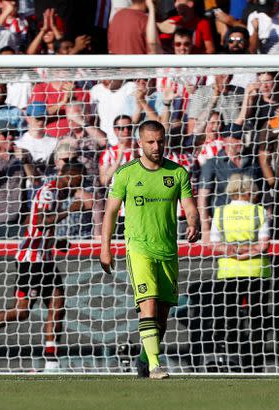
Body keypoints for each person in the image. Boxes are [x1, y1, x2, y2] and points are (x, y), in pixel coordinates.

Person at [0, 162, 87, 371]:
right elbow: (41, 221)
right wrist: (69, 211)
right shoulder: (49, 193)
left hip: (45, 259)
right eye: (78, 181)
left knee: (57, 305)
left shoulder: (58, 195)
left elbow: (33, 224)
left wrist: (54, 242)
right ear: (69, 177)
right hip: (30, 261)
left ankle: (52, 363)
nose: (78, 187)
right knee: (22, 312)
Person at [99, 120, 200, 379]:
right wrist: (105, 248)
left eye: (160, 141)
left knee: (163, 315)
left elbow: (189, 205)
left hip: (167, 249)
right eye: (151, 142)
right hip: (138, 248)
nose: (156, 147)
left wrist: (193, 222)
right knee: (149, 304)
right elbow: (110, 211)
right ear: (140, 143)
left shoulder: (177, 173)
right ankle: (156, 365)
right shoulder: (126, 173)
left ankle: (144, 359)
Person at [193, 173, 271, 372]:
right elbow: (263, 243)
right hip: (256, 271)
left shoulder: (220, 212)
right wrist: (248, 253)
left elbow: (215, 244)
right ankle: (256, 364)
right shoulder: (259, 211)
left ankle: (232, 360)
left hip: (228, 272)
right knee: (257, 319)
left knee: (230, 319)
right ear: (249, 191)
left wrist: (233, 252)